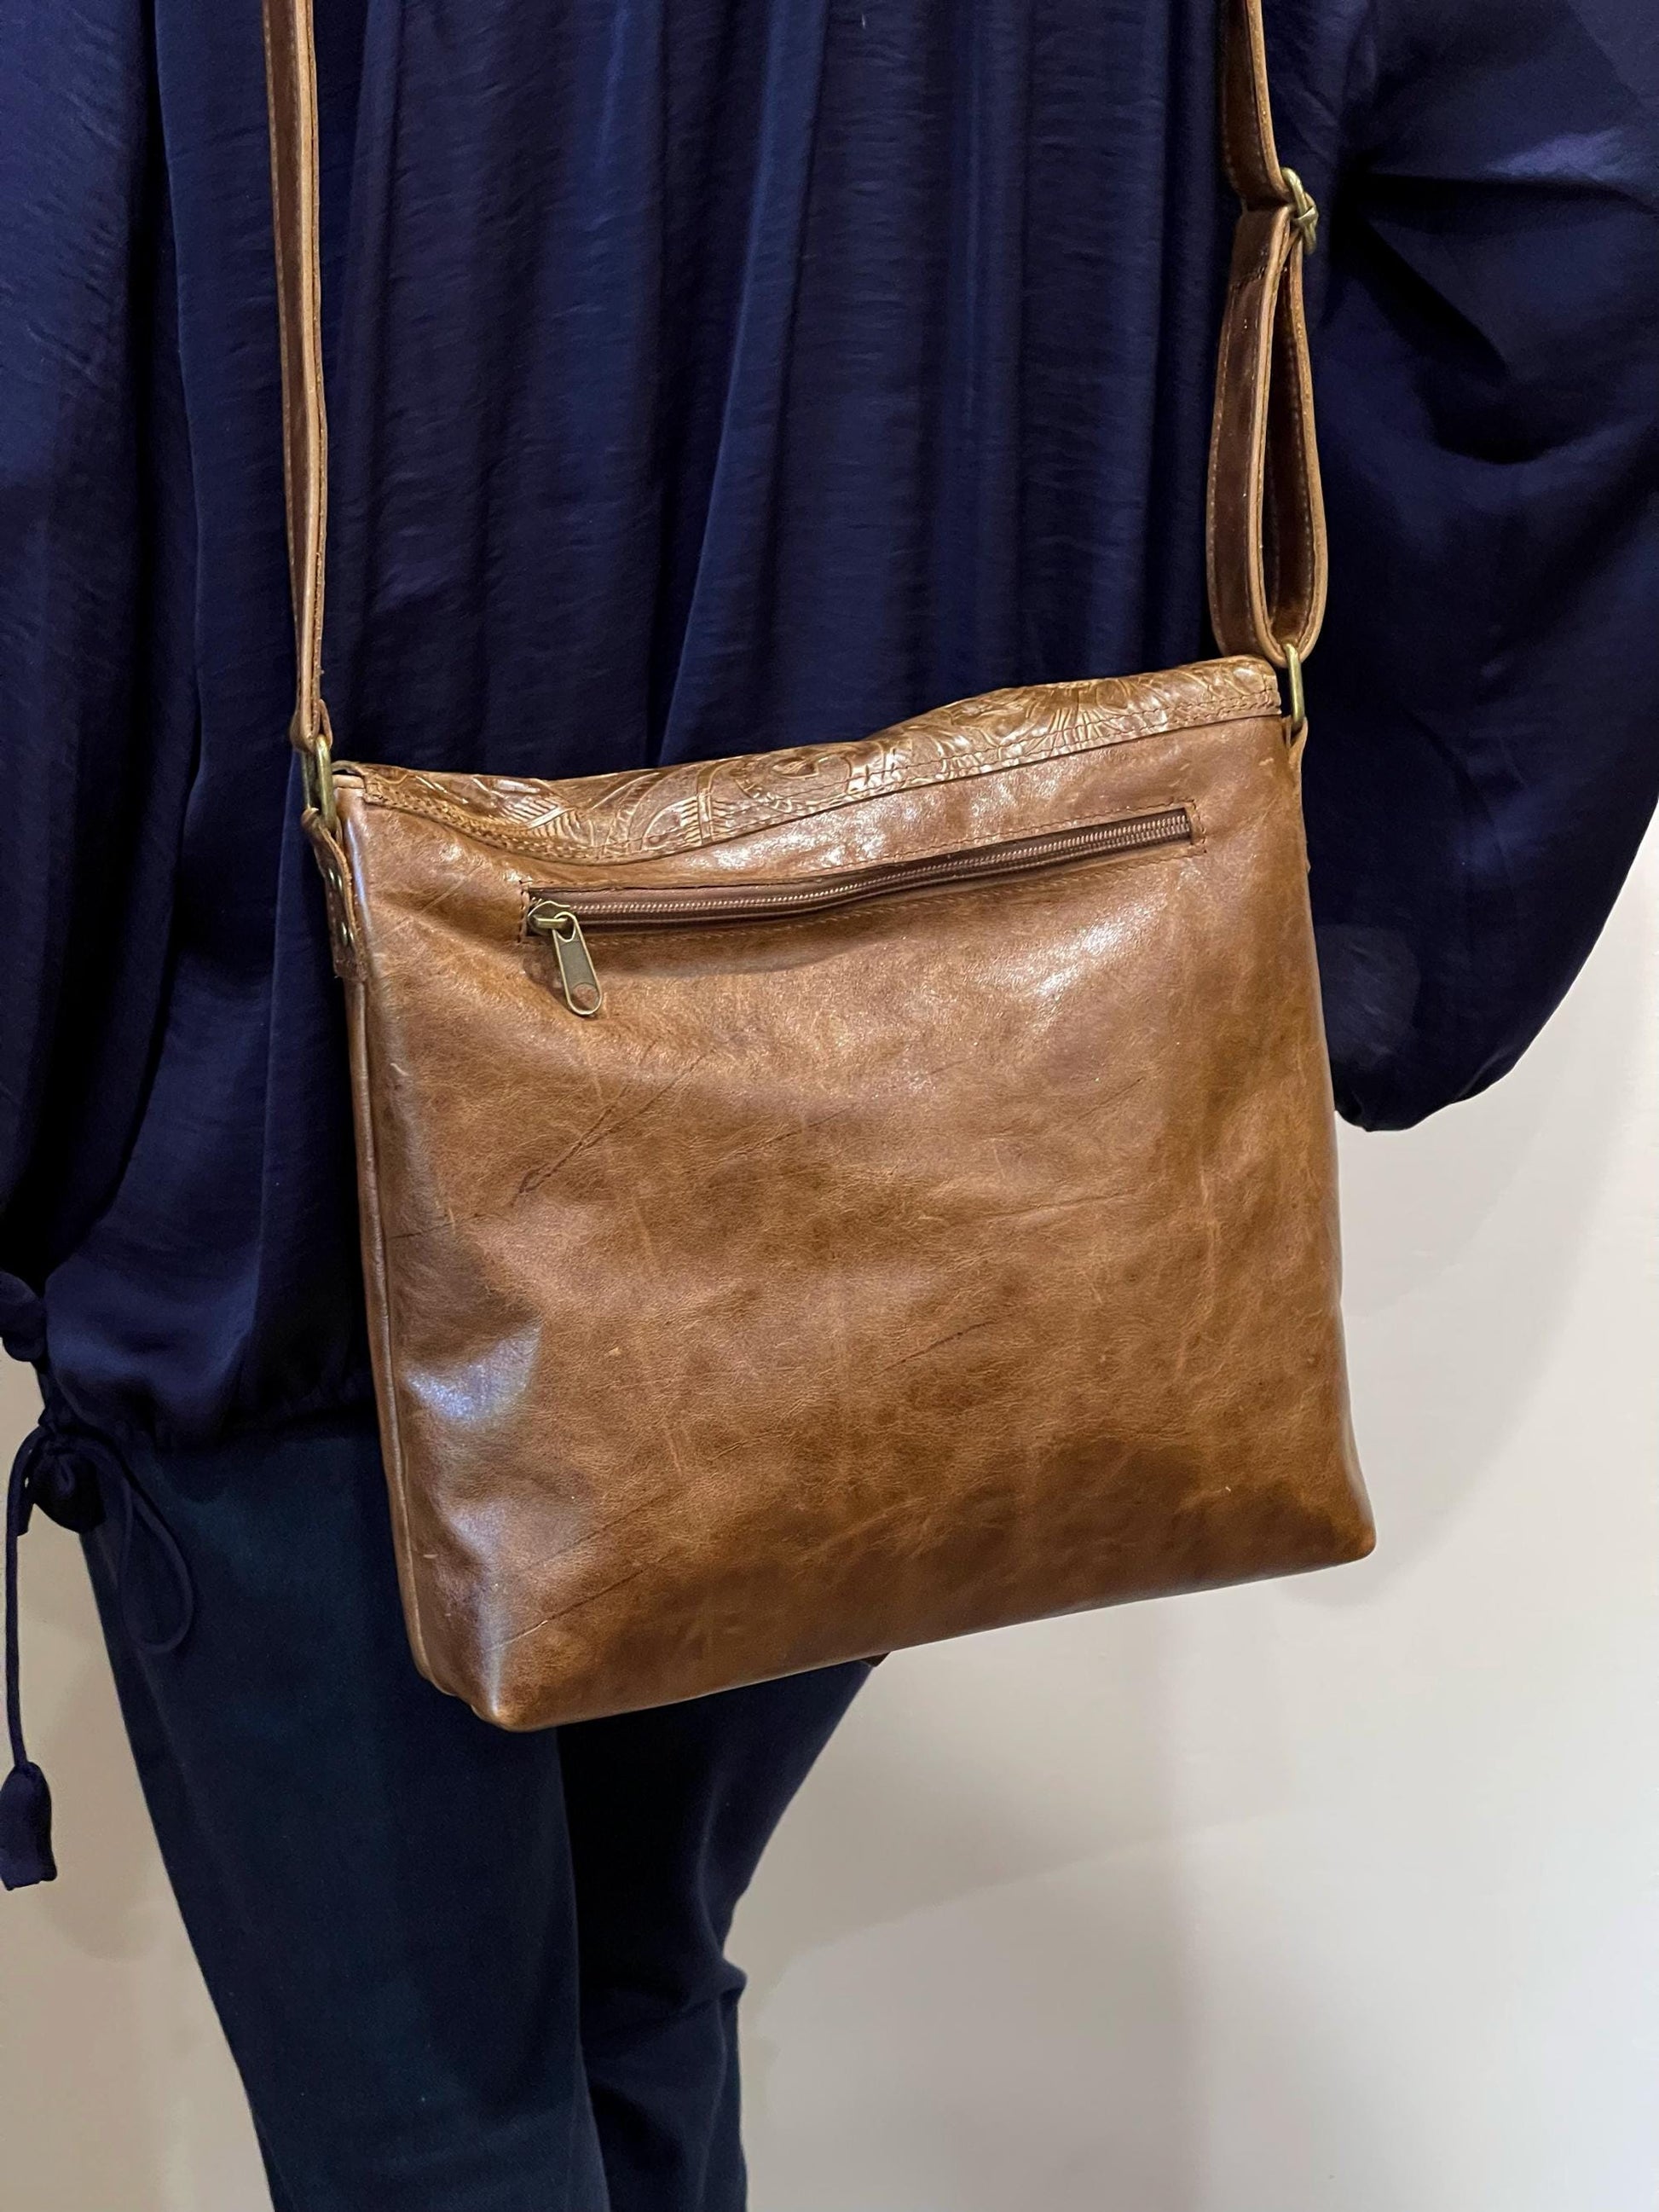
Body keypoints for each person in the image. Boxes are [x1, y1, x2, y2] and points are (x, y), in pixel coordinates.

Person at [1, 0, 1654, 2204]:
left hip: (312, 1128)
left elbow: (40, 376)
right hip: (932, 1084)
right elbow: (1575, 185)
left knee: (442, 2136)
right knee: (627, 1989)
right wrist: (1372, 914)